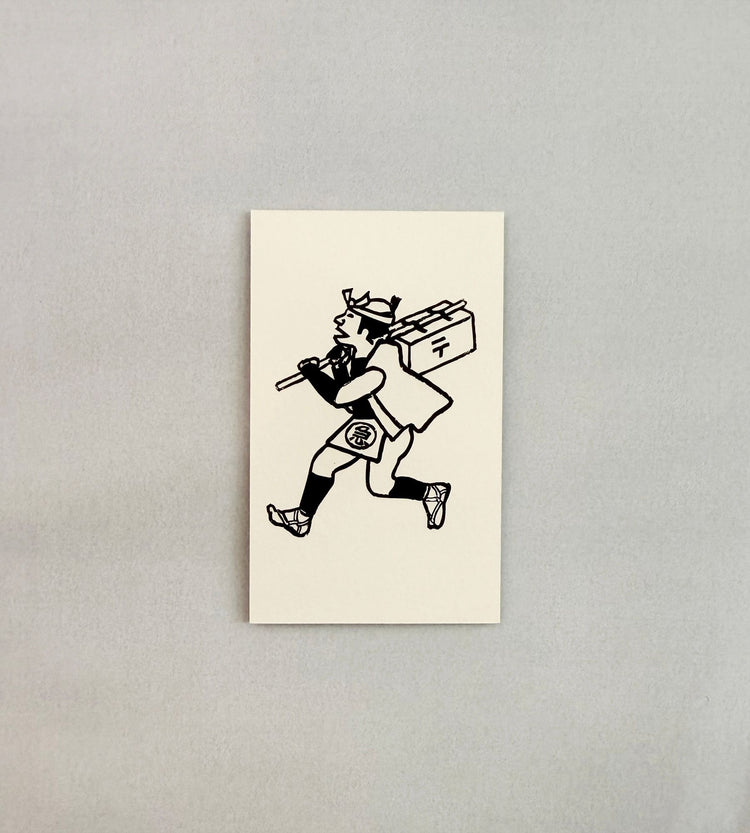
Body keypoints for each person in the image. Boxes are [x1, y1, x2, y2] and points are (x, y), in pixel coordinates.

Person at [267, 288, 453, 537]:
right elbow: (353, 402)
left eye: (348, 318)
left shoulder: (379, 367)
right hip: (369, 422)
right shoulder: (361, 356)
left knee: (362, 478)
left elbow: (339, 397)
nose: (339, 320)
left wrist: (312, 372)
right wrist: (338, 367)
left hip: (388, 431)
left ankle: (431, 492)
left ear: (365, 331)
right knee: (345, 470)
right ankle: (302, 518)